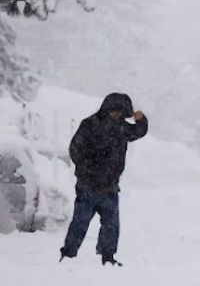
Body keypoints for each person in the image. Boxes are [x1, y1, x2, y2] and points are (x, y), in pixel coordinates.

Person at [59, 93, 147, 266]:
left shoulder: (121, 127)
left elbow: (137, 132)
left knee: (111, 224)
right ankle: (68, 254)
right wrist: (87, 170)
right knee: (80, 222)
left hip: (110, 186)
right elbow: (75, 149)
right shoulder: (89, 125)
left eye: (120, 113)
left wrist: (142, 120)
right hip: (88, 185)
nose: (116, 115)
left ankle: (108, 256)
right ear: (106, 109)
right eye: (114, 111)